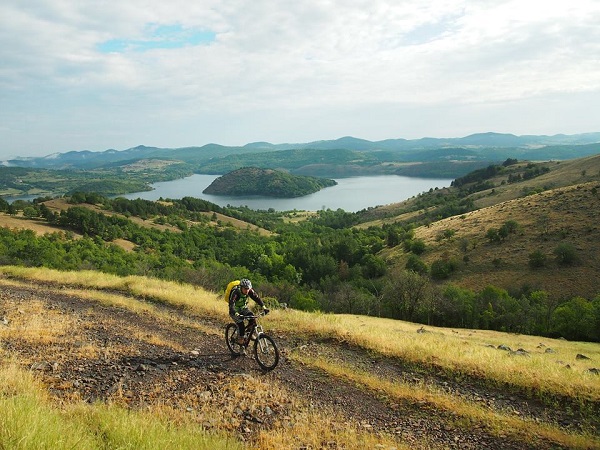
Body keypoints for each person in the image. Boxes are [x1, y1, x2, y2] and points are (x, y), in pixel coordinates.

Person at [228, 278, 269, 344]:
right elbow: (231, 305)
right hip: (234, 311)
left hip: (243, 308)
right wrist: (236, 314)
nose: (247, 290)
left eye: (248, 288)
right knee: (241, 325)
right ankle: (240, 340)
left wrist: (264, 307)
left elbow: (257, 299)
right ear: (241, 287)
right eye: (245, 289)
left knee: (252, 320)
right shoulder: (236, 292)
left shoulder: (249, 291)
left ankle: (248, 333)